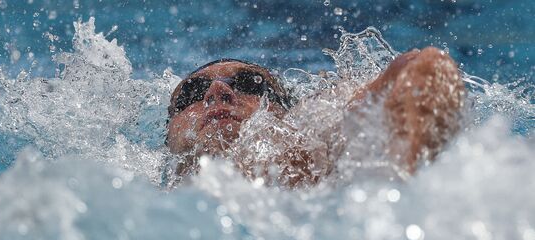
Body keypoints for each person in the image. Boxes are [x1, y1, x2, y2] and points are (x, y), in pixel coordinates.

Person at [166, 47, 465, 187]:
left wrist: (409, 175)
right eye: (192, 93)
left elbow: (422, 67)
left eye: (248, 84)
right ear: (167, 138)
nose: (217, 91)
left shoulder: (315, 151)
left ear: (284, 113)